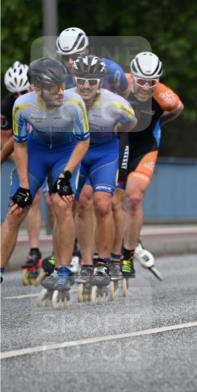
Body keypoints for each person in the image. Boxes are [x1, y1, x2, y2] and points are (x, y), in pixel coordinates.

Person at [0, 58, 89, 296]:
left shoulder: (74, 102)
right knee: (16, 208)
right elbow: (18, 145)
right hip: (36, 152)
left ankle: (63, 270)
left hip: (65, 153)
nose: (61, 91)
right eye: (53, 88)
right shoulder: (23, 105)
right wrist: (25, 186)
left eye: (62, 84)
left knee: (61, 204)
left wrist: (66, 174)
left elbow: (83, 141)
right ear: (37, 89)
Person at [112, 51, 183, 281]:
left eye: (151, 82)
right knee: (110, 200)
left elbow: (177, 109)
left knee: (134, 198)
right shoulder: (118, 83)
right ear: (133, 76)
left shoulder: (164, 95)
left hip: (144, 148)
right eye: (141, 81)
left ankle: (127, 255)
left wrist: (158, 124)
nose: (145, 87)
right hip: (117, 146)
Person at [70, 55, 136, 296]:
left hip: (104, 153)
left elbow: (131, 123)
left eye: (92, 81)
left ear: (100, 81)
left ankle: (103, 262)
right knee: (80, 204)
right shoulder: (65, 99)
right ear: (74, 79)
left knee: (102, 204)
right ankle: (87, 263)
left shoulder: (115, 103)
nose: (86, 86)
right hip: (78, 151)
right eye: (82, 80)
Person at [1, 62, 46, 280]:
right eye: (15, 93)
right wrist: (21, 162)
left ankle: (68, 251)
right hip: (25, 153)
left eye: (24, 91)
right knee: (26, 202)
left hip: (51, 151)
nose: (20, 95)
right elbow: (6, 142)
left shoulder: (45, 96)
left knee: (61, 202)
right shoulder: (7, 106)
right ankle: (33, 251)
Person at [56, 26, 128, 97]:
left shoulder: (112, 70)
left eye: (75, 56)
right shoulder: (60, 76)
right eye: (65, 57)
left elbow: (125, 94)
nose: (70, 62)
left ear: (87, 51)